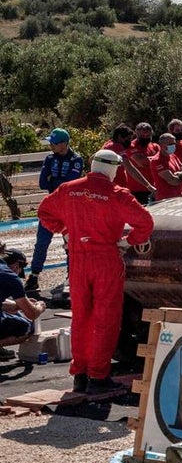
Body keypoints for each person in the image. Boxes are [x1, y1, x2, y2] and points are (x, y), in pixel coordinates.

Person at [37, 149, 154, 395]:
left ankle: (79, 373)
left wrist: (66, 232)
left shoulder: (68, 189)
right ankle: (98, 376)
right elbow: (145, 222)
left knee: (81, 318)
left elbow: (44, 211)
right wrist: (129, 241)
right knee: (106, 318)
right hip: (105, 259)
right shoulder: (117, 194)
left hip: (78, 260)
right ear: (114, 168)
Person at [25, 128, 84, 295]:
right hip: (51, 207)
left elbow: (68, 184)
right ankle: (34, 277)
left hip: (68, 208)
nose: (50, 145)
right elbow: (43, 183)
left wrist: (54, 180)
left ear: (64, 143)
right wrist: (55, 182)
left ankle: (71, 276)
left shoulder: (76, 159)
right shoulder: (49, 158)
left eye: (53, 142)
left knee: (70, 243)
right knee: (41, 242)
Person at [0, 248, 44, 360]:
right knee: (27, 328)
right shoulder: (10, 276)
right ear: (16, 265)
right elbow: (32, 314)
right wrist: (39, 307)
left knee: (13, 314)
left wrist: (18, 305)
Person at [150, 133, 182, 200]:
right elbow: (173, 181)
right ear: (162, 145)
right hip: (165, 200)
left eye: (174, 144)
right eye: (170, 144)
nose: (173, 146)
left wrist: (180, 174)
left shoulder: (173, 156)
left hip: (179, 197)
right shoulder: (157, 160)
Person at [124, 122, 160, 205]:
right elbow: (143, 162)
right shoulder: (130, 145)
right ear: (136, 133)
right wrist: (154, 159)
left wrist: (149, 160)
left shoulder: (155, 146)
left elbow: (161, 161)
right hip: (136, 189)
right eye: (143, 136)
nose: (145, 138)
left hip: (154, 188)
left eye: (148, 136)